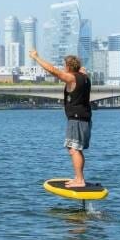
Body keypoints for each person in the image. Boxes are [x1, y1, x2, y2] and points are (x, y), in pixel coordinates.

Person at [29, 50, 92, 188]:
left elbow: (52, 70)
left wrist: (36, 58)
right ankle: (78, 177)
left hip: (76, 119)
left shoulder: (72, 78)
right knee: (76, 149)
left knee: (74, 149)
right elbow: (82, 70)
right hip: (84, 118)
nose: (64, 68)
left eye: (65, 66)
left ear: (68, 67)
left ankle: (80, 180)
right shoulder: (85, 77)